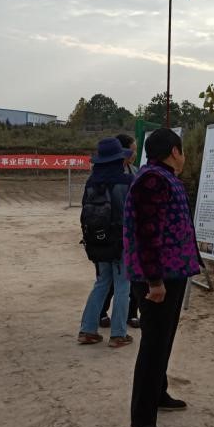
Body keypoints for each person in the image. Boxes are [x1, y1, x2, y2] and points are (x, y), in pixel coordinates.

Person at [124, 128, 203, 427]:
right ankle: (142, 418)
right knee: (153, 344)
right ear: (174, 151)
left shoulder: (164, 178)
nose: (184, 157)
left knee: (164, 339)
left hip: (173, 273)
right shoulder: (152, 181)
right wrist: (154, 282)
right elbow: (146, 234)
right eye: (182, 152)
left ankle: (158, 393)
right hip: (158, 278)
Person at [77, 137, 134, 348]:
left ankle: (87, 330)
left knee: (101, 283)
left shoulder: (91, 183)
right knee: (122, 286)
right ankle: (118, 334)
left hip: (97, 241)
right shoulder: (127, 182)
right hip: (121, 242)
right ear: (119, 159)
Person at [99, 133, 140, 329]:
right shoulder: (109, 175)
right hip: (115, 234)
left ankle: (131, 314)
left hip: (129, 233)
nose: (135, 154)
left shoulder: (135, 171)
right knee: (112, 280)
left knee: (132, 279)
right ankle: (106, 317)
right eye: (133, 150)